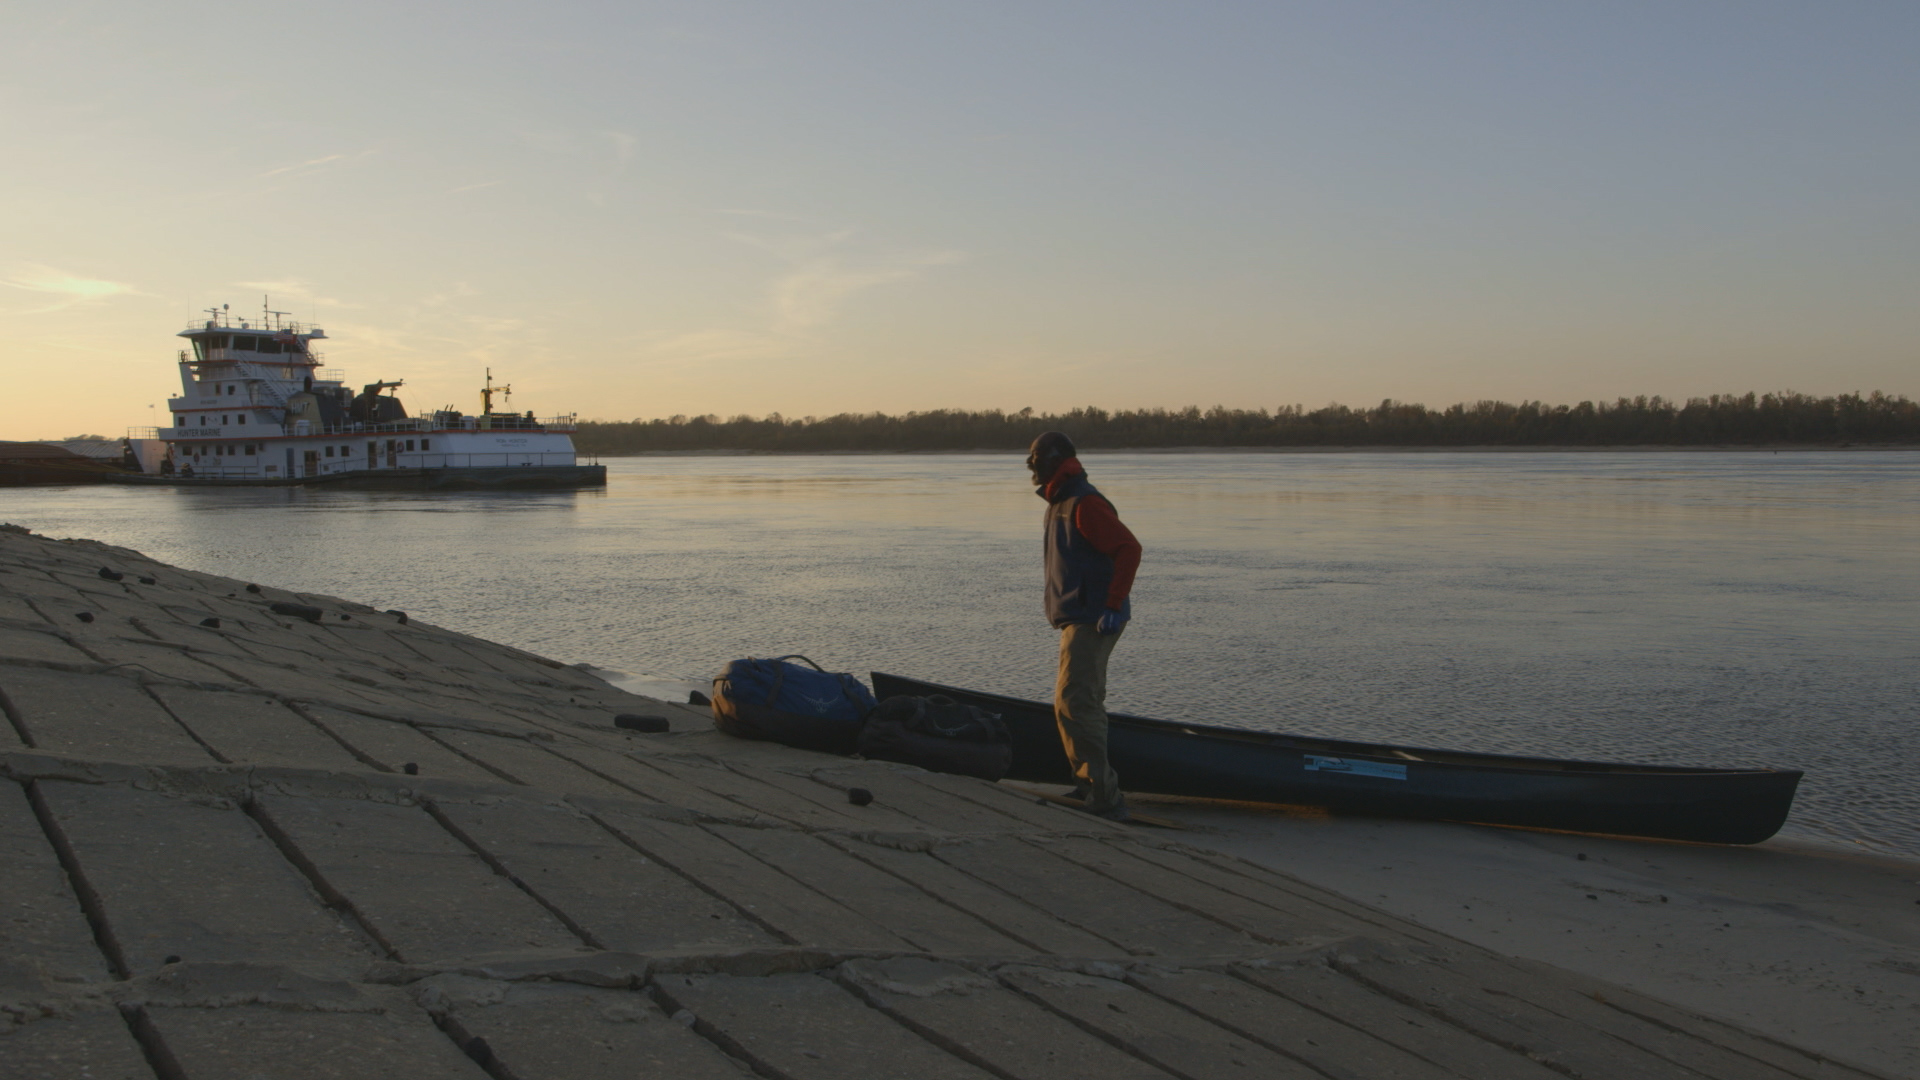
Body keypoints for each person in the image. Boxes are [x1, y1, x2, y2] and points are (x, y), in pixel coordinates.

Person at [1026, 431, 1142, 821]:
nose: (1032, 464)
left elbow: (1129, 548)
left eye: (1037, 457)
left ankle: (1105, 798)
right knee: (1069, 702)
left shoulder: (1084, 502)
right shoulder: (1061, 500)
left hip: (1094, 619)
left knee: (1080, 703)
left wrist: (1111, 606)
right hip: (1078, 617)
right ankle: (1087, 784)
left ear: (1055, 460)